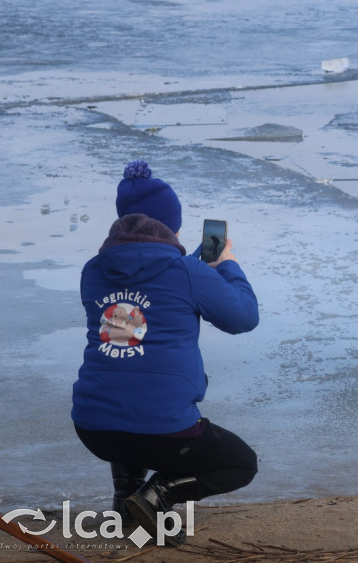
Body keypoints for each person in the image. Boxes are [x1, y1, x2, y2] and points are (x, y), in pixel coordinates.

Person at [72, 160, 260, 544]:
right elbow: (243, 317)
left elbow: (145, 304)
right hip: (163, 431)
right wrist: (227, 266)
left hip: (93, 428)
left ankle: (125, 499)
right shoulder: (187, 274)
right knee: (241, 463)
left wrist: (193, 267)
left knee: (126, 375)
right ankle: (159, 495)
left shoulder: (93, 270)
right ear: (170, 227)